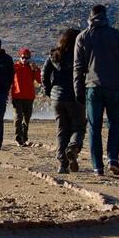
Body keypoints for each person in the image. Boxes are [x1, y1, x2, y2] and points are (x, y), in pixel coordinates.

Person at [73, 5, 119, 176]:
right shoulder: (117, 35)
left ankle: (97, 166)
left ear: (90, 17)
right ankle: (113, 159)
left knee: (94, 127)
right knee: (114, 124)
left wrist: (78, 90)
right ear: (106, 17)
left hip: (93, 88)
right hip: (114, 88)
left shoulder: (83, 37)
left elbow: (78, 67)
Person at [43, 28, 83, 174]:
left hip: (57, 98)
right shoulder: (79, 55)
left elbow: (44, 75)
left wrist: (50, 92)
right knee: (78, 127)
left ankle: (62, 164)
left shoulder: (55, 54)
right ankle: (73, 147)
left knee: (61, 129)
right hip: (75, 97)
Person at [10, 47, 42, 146]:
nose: (24, 59)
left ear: (30, 58)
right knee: (18, 118)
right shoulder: (15, 67)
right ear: (20, 57)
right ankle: (18, 138)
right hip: (17, 96)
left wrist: (36, 69)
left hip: (29, 97)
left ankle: (24, 137)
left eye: (27, 58)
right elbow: (9, 80)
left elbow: (40, 80)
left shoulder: (32, 68)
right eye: (23, 57)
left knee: (26, 119)